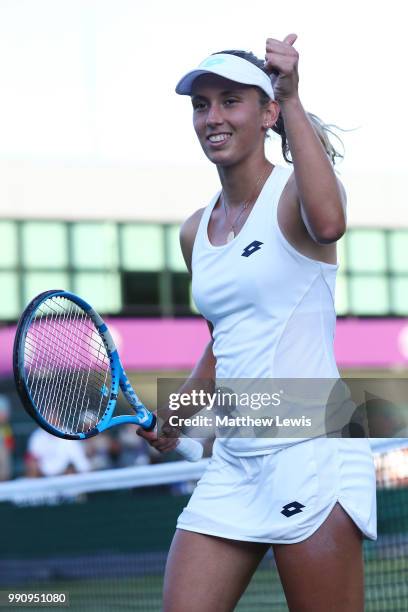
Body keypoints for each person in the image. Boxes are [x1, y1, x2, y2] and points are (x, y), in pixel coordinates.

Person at [138, 34, 377, 611]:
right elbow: (225, 340)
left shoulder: (298, 193)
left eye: (230, 101)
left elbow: (331, 222)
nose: (212, 118)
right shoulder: (196, 229)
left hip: (313, 449)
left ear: (267, 112)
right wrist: (181, 413)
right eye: (201, 105)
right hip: (235, 461)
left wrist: (293, 97)